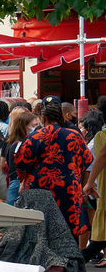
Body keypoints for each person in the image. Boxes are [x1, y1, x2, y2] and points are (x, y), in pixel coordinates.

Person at [16, 95, 93, 240]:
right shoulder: (75, 136)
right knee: (68, 231)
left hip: (39, 190)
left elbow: (21, 164)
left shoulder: (34, 138)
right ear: (62, 118)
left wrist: (23, 181)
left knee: (40, 232)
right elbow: (86, 162)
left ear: (43, 119)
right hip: (69, 189)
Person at [82, 109, 106, 264]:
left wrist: (88, 183)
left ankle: (84, 255)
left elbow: (91, 165)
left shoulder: (97, 140)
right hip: (96, 188)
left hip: (96, 189)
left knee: (93, 220)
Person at [5, 110, 39, 206]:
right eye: (34, 126)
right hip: (18, 183)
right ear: (23, 127)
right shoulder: (20, 145)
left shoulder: (17, 143)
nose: (37, 128)